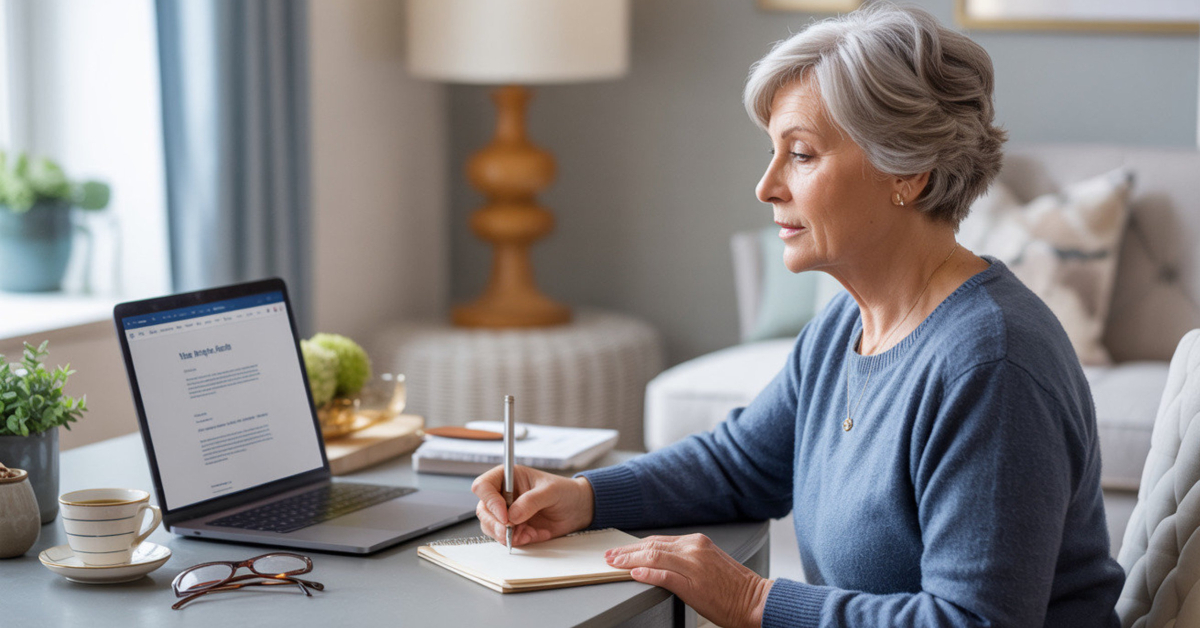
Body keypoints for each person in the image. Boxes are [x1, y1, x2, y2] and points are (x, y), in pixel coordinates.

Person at [472, 4, 1125, 627]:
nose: (767, 186)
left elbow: (974, 621)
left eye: (802, 154)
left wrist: (755, 600)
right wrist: (583, 496)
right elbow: (740, 466)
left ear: (911, 173)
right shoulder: (849, 324)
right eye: (773, 151)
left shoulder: (990, 366)